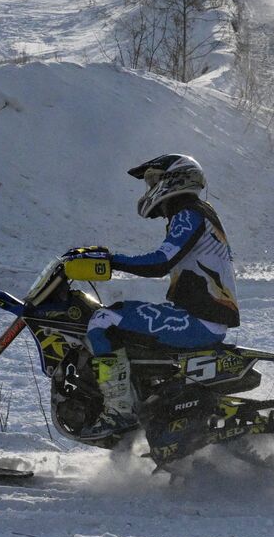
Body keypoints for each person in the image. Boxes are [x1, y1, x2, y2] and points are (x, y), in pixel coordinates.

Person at [79, 154, 239, 436]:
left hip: (198, 321)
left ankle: (118, 412)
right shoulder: (198, 211)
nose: (149, 188)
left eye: (153, 179)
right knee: (120, 317)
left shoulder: (189, 213)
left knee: (103, 319)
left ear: (174, 178)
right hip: (201, 318)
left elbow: (159, 262)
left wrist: (110, 260)